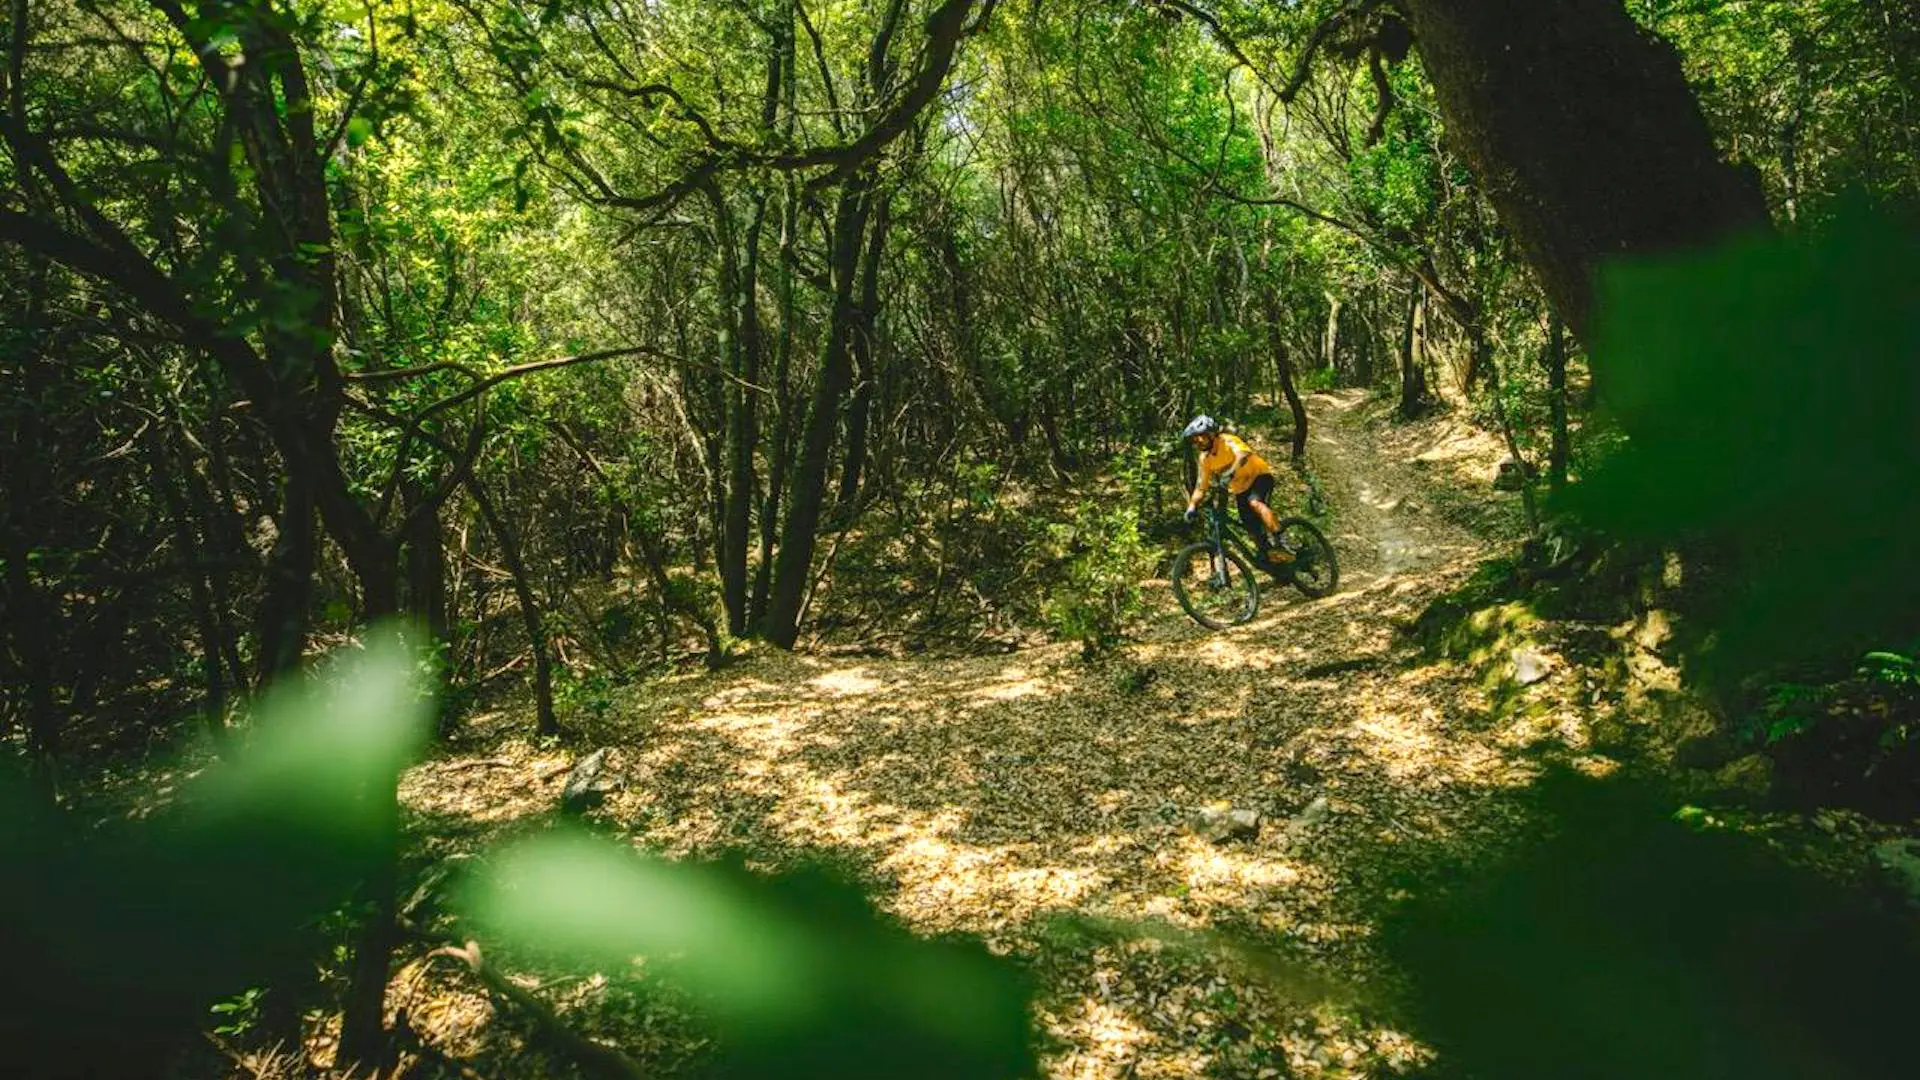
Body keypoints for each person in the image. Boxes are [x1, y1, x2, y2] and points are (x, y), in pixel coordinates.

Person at [1181, 415, 1290, 564]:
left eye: (1201, 436)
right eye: (1195, 438)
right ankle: (1272, 560)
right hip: (1240, 489)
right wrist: (1192, 507)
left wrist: (1230, 472)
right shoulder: (1205, 459)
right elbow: (1201, 487)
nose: (1198, 441)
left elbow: (1243, 454)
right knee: (1249, 525)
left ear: (1211, 434)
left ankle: (1281, 540)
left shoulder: (1227, 441)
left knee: (1254, 503)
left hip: (1259, 476)